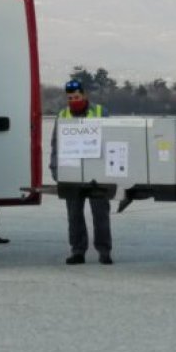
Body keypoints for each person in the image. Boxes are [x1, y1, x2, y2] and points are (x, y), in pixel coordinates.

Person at [49, 79, 113, 265]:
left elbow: (111, 139)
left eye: (76, 97)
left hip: (97, 172)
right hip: (72, 173)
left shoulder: (100, 112)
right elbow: (55, 145)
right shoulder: (63, 115)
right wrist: (55, 169)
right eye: (70, 97)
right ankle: (78, 250)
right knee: (74, 215)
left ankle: (104, 251)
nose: (73, 100)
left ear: (84, 95)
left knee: (100, 214)